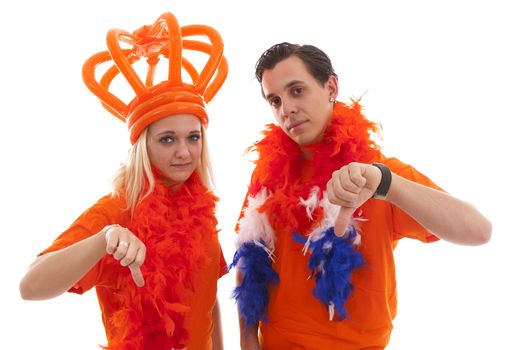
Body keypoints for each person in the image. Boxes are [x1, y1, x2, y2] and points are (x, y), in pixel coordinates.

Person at [231, 42, 492, 349]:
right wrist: (247, 340)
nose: (286, 108)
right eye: (275, 100)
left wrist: (386, 184)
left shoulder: (374, 174)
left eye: (297, 90)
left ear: (331, 87)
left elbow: (479, 231)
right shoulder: (266, 176)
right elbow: (249, 262)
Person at [19, 12, 228, 350]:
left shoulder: (200, 207)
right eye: (167, 139)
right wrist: (105, 239)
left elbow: (209, 301)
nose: (184, 153)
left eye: (193, 137)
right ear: (142, 146)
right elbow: (30, 286)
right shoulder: (117, 211)